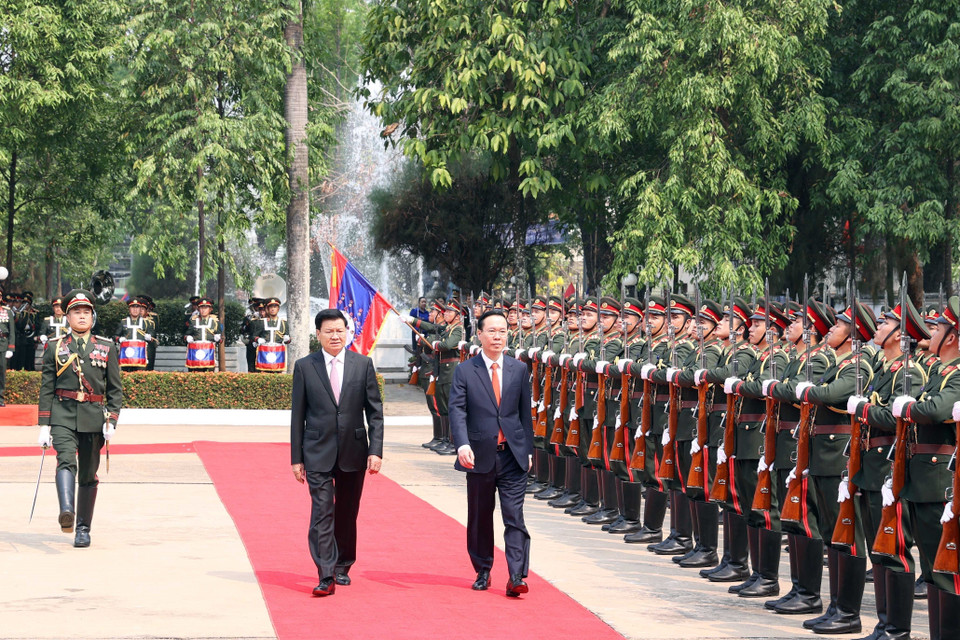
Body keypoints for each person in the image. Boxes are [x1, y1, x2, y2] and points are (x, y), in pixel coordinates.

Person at [290, 308, 384, 597]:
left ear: (347, 332)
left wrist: (375, 450)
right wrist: (296, 458)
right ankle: (325, 574)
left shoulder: (362, 364)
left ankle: (343, 564)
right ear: (317, 334)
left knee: (346, 512)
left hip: (354, 451)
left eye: (339, 330)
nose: (335, 335)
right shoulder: (305, 366)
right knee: (322, 512)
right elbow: (298, 415)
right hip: (317, 451)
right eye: (328, 331)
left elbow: (375, 413)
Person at [448, 310, 534, 597]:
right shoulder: (465, 370)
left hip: (512, 456)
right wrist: (462, 444)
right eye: (492, 331)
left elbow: (524, 415)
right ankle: (483, 569)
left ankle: (516, 575)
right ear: (480, 335)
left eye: (503, 331)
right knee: (480, 516)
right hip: (479, 455)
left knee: (514, 517)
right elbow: (457, 410)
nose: (498, 336)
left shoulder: (519, 369)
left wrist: (527, 450)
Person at [36, 289, 122, 548]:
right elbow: (47, 387)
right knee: (64, 460)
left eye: (86, 312)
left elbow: (115, 389)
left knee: (87, 473)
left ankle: (83, 528)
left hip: (93, 417)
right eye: (76, 312)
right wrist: (43, 425)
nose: (82, 316)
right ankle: (67, 511)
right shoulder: (54, 347)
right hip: (62, 413)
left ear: (93, 317)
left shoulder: (106, 347)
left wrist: (112, 421)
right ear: (68, 316)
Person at [184, 298, 222, 372]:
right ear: (198, 309)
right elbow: (186, 334)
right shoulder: (193, 321)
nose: (203, 310)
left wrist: (218, 338)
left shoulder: (215, 321)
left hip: (209, 351)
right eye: (201, 308)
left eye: (206, 308)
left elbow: (220, 337)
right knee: (194, 372)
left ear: (210, 309)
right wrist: (188, 337)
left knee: (209, 373)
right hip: (195, 351)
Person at [253, 297, 289, 373]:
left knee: (278, 375)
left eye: (275, 307)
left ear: (278, 309)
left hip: (278, 353)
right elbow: (253, 336)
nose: (273, 309)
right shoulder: (261, 322)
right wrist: (258, 339)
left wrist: (287, 339)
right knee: (264, 374)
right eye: (271, 307)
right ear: (267, 309)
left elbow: (287, 339)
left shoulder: (284, 323)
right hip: (264, 352)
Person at [114, 298, 151, 371]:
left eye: (137, 307)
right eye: (133, 307)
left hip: (140, 355)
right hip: (127, 355)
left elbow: (153, 338)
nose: (135, 309)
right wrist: (119, 339)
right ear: (129, 309)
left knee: (140, 376)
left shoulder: (146, 323)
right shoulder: (123, 322)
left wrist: (149, 337)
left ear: (140, 309)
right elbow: (115, 336)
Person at [0, 290, 15, 406]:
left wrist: (10, 348)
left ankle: (0, 398)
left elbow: (12, 332)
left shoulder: (6, 311)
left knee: (1, 372)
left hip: (3, 344)